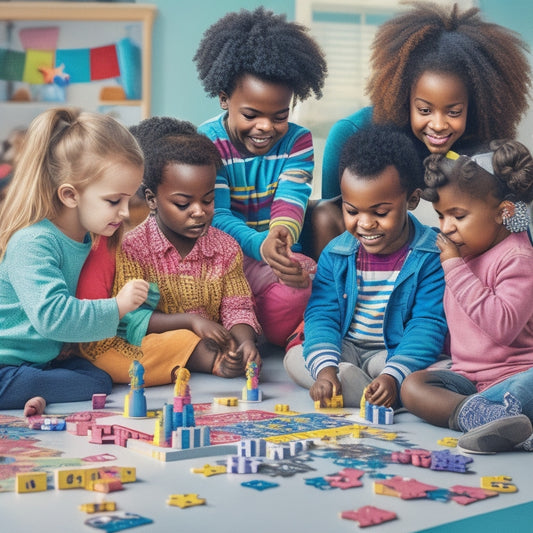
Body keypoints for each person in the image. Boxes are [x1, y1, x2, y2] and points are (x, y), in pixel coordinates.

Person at [310, 1, 531, 261]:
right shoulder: (352, 133)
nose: (438, 125)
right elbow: (339, 221)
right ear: (404, 96)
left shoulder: (486, 151)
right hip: (366, 264)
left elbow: (515, 230)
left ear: (476, 104)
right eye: (425, 110)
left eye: (454, 111)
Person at [76, 117, 261, 385]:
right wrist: (189, 322)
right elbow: (133, 318)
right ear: (152, 199)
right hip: (157, 339)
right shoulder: (132, 248)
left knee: (230, 340)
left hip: (211, 338)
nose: (199, 211)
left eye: (208, 200)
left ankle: (215, 357)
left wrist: (245, 342)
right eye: (183, 204)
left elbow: (237, 306)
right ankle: (202, 359)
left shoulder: (226, 247)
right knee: (134, 348)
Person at [283, 124, 447, 408]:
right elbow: (323, 314)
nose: (365, 223)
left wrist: (393, 375)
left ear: (412, 199)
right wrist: (325, 369)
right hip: (345, 349)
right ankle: (353, 384)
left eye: (381, 212)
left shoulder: (430, 254)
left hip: (392, 352)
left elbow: (427, 324)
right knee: (295, 358)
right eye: (352, 211)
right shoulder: (337, 253)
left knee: (436, 370)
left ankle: (383, 386)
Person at [0, 107, 149, 416]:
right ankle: (32, 389)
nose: (124, 213)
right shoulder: (34, 242)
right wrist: (117, 306)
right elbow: (52, 316)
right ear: (70, 195)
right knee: (82, 382)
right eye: (113, 201)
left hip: (40, 360)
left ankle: (36, 391)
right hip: (5, 364)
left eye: (129, 199)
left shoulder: (85, 238)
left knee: (97, 380)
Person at [194, 7, 327, 347]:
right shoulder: (207, 142)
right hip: (221, 260)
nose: (265, 127)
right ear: (224, 98)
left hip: (272, 263)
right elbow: (217, 214)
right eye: (251, 115)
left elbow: (291, 197)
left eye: (279, 115)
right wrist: (259, 245)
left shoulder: (297, 141)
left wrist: (280, 236)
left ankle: (259, 331)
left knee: (306, 279)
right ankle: (246, 327)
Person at [401, 140, 533, 454]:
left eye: (458, 217)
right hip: (468, 379)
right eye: (440, 216)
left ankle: (507, 417)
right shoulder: (465, 253)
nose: (446, 228)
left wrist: (453, 267)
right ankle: (476, 415)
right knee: (413, 386)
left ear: (504, 211)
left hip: (516, 375)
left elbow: (501, 326)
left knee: (527, 386)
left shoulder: (516, 257)